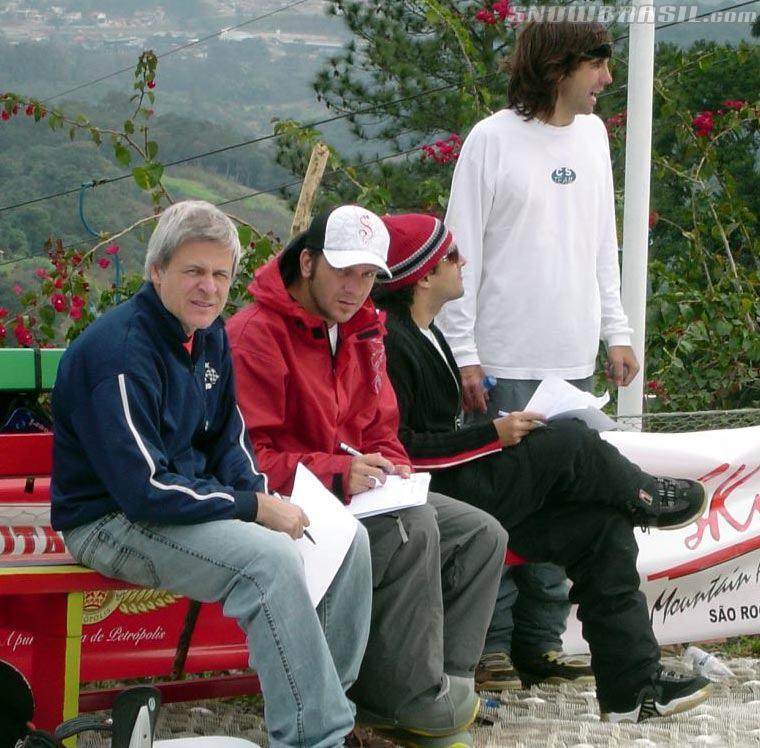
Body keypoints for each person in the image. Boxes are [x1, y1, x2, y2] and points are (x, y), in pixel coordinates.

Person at [50, 200, 375, 748]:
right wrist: (252, 509)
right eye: (193, 272)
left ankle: (324, 710)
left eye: (220, 274)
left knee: (349, 539)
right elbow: (145, 490)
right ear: (156, 272)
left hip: (183, 505)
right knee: (267, 561)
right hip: (109, 521)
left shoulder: (209, 337)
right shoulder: (121, 352)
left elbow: (230, 440)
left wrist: (260, 496)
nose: (209, 287)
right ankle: (315, 737)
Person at [373, 211, 713, 722]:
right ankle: (647, 496)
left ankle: (633, 690)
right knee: (571, 439)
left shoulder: (430, 334)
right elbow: (402, 449)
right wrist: (492, 434)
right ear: (422, 274)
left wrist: (494, 431)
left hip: (467, 487)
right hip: (440, 502)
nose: (463, 262)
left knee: (602, 530)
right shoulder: (390, 341)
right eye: (451, 256)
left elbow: (433, 432)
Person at [227, 204, 508, 748]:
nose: (356, 288)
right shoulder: (256, 335)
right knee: (413, 528)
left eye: (370, 275)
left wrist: (391, 465)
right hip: (289, 505)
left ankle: (436, 692)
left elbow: (381, 426)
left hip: (352, 495)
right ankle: (409, 697)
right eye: (344, 270)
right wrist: (341, 471)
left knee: (481, 535)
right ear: (308, 262)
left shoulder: (362, 330)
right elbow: (249, 459)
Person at [437, 19, 640, 690]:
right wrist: (464, 351)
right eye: (597, 66)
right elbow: (459, 252)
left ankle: (540, 644)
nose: (607, 79)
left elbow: (601, 240)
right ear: (558, 69)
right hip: (500, 361)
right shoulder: (490, 141)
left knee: (568, 506)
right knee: (497, 511)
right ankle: (488, 647)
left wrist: (617, 329)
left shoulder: (593, 136)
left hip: (571, 360)